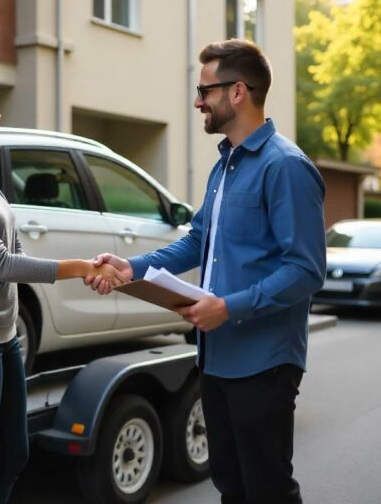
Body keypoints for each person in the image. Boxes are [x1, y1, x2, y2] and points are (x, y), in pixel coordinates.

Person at [86, 40, 326, 504]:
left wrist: (228, 308)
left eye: (204, 91)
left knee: (268, 491)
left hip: (265, 363)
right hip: (214, 358)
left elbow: (305, 269)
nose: (198, 102)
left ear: (237, 92)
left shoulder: (286, 167)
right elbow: (199, 240)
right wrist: (131, 267)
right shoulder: (225, 165)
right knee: (231, 487)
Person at [0, 71, 126, 504]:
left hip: (3, 337)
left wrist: (78, 267)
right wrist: (81, 267)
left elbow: (15, 249)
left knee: (13, 454)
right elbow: (1, 264)